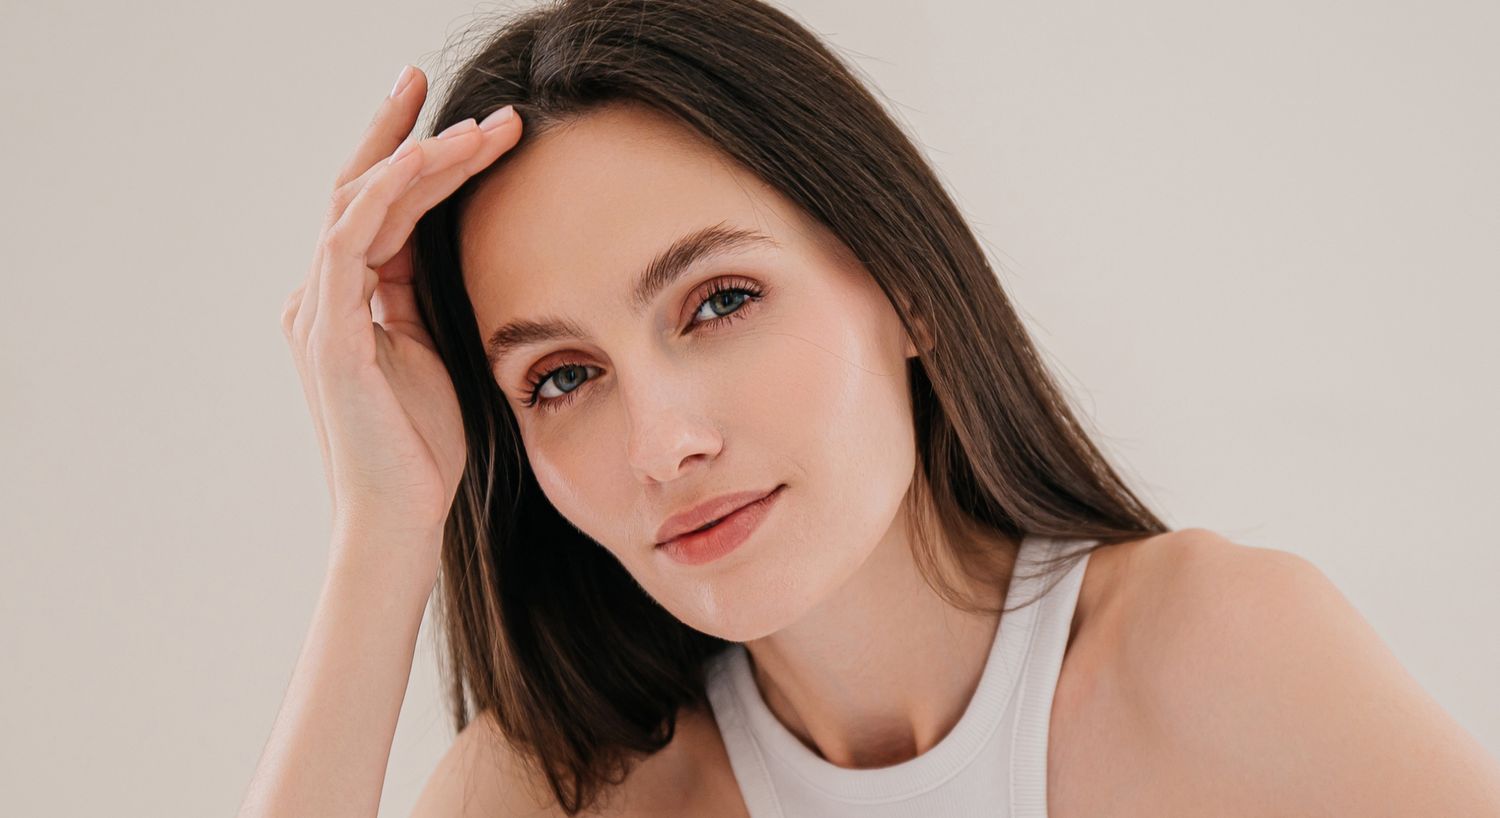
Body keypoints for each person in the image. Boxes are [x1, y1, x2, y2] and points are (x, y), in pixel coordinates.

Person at [239, 1, 1500, 816]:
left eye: (719, 299)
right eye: (561, 378)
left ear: (906, 284)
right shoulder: (574, 791)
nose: (664, 441)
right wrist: (384, 527)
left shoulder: (1215, 655)